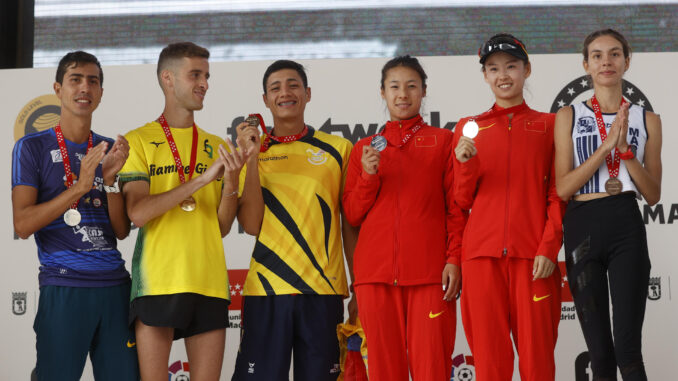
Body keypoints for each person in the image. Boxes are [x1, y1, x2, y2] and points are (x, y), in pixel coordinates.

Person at [119, 42, 251, 381]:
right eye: (195, 74)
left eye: (207, 76)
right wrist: (201, 180)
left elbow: (220, 226)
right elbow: (137, 213)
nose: (204, 83)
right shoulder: (139, 140)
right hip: (157, 282)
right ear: (168, 78)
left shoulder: (216, 146)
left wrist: (231, 181)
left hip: (208, 283)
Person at [11, 51, 139, 380]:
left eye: (93, 81)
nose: (85, 87)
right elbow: (23, 224)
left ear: (100, 92)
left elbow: (122, 231)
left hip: (114, 289)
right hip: (64, 284)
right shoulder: (32, 147)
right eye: (75, 79)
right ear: (58, 89)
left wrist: (109, 182)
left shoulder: (110, 148)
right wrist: (80, 186)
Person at [231, 60, 358, 381]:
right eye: (275, 87)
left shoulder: (339, 148)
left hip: (323, 291)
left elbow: (350, 224)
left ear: (307, 93)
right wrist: (254, 158)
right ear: (265, 100)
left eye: (293, 85)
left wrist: (360, 286)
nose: (285, 93)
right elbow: (251, 224)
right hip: (266, 291)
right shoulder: (249, 155)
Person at [342, 55, 466, 381]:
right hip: (375, 279)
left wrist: (454, 259)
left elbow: (457, 209)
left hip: (429, 275)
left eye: (411, 86)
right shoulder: (364, 149)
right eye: (394, 86)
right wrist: (369, 176)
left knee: (432, 370)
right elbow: (352, 214)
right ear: (382, 93)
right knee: (384, 372)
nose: (402, 94)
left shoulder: (443, 142)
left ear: (423, 91)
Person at [452, 34, 565, 380]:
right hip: (480, 261)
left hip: (533, 259)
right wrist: (466, 165)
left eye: (511, 66)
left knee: (537, 362)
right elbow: (461, 201)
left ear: (526, 70)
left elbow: (558, 195)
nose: (503, 75)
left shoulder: (550, 125)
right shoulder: (468, 128)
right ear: (485, 75)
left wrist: (548, 248)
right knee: (490, 363)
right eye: (494, 68)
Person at [554, 29, 662, 381]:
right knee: (600, 353)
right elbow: (563, 188)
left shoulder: (648, 119)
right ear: (586, 65)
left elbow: (653, 194)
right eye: (597, 55)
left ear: (626, 61)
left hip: (625, 225)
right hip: (582, 225)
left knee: (628, 349)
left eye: (615, 54)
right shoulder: (568, 115)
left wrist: (626, 152)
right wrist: (604, 147)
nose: (606, 62)